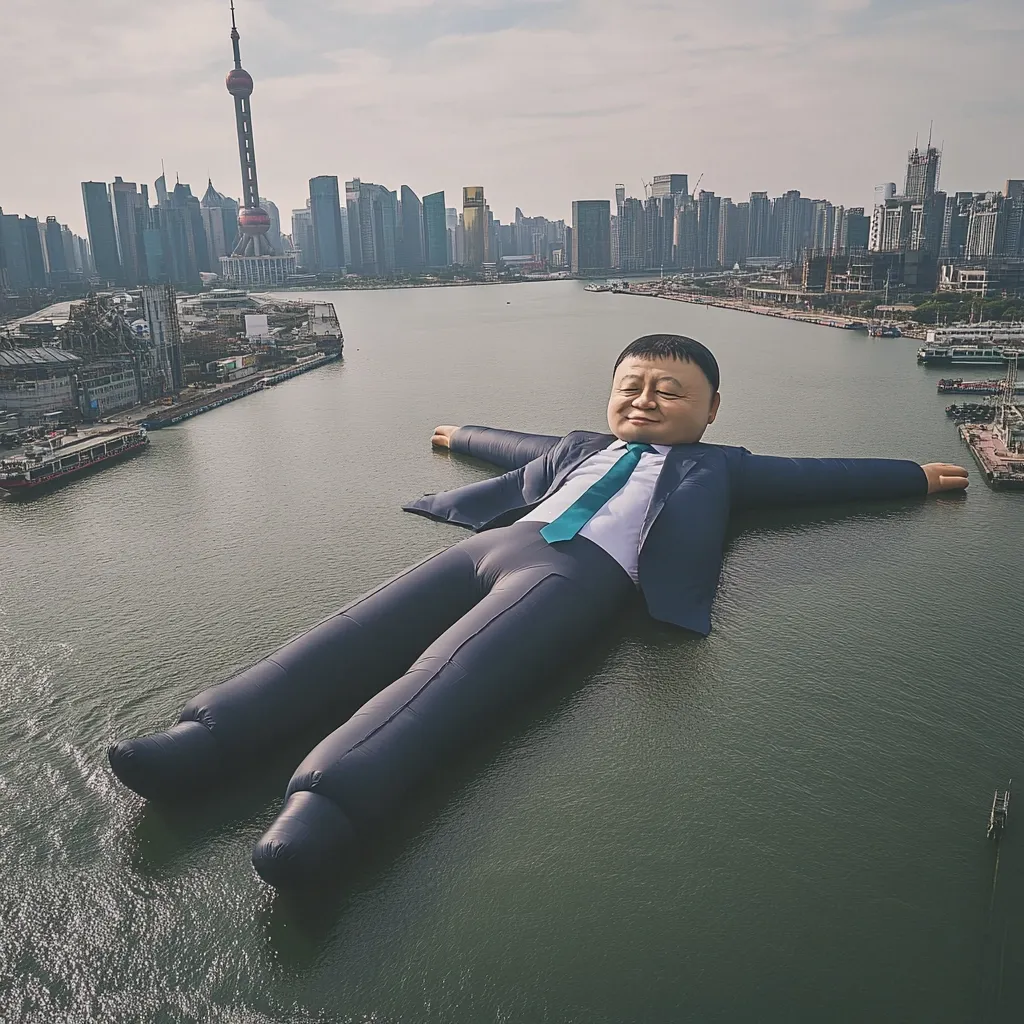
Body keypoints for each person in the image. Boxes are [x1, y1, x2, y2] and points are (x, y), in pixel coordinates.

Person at [108, 334, 968, 886]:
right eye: (631, 386)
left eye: (668, 392)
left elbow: (820, 477)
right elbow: (510, 448)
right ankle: (208, 739)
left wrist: (913, 477)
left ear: (710, 411)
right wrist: (457, 435)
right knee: (347, 635)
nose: (643, 400)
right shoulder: (581, 447)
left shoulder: (722, 468)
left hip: (576, 579)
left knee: (446, 677)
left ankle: (327, 803)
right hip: (490, 544)